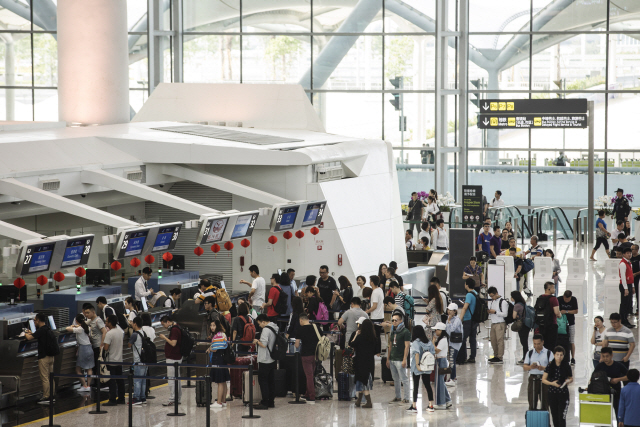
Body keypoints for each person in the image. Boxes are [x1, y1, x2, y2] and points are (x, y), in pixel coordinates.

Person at [25, 313, 59, 404]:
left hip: (44, 357)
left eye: (35, 320)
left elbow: (29, 338)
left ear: (39, 320)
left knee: (44, 377)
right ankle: (52, 395)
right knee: (50, 377)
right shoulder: (47, 329)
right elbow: (37, 335)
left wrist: (25, 333)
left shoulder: (40, 330)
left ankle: (46, 397)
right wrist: (33, 333)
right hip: (51, 357)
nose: (35, 322)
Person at [542, 346, 573, 427]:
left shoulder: (566, 366)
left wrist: (567, 381)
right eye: (557, 355)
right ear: (554, 355)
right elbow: (544, 379)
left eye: (561, 355)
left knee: (562, 417)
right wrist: (552, 383)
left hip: (563, 394)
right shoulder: (550, 366)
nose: (559, 357)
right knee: (555, 416)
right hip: (552, 394)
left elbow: (571, 378)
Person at [407, 325, 435, 414]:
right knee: (427, 385)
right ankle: (431, 405)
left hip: (417, 367)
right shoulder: (429, 343)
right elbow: (433, 354)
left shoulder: (416, 343)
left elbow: (416, 354)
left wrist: (417, 365)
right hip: (427, 367)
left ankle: (414, 406)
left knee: (415, 386)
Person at [252, 314, 278, 410]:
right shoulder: (275, 327)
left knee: (263, 381)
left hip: (265, 359)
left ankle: (265, 402)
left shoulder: (266, 329)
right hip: (272, 358)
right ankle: (271, 401)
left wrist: (256, 341)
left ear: (263, 321)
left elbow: (263, 344)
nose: (259, 326)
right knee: (271, 381)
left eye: (259, 324)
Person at [594, 347, 628, 418]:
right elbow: (593, 378)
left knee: (619, 414)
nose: (605, 358)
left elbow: (628, 376)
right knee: (605, 417)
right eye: (603, 356)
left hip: (616, 393)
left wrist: (618, 379)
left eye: (607, 356)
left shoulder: (618, 365)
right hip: (604, 394)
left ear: (611, 355)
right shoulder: (599, 366)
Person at [350, 318, 376, 408]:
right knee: (364, 382)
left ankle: (369, 402)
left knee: (362, 382)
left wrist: (356, 335)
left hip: (360, 362)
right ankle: (359, 401)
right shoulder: (373, 338)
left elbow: (351, 344)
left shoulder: (360, 337)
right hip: (369, 363)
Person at [523, 334, 554, 411]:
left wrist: (543, 368)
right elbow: (525, 367)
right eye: (534, 344)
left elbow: (552, 368)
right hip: (532, 378)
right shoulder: (529, 353)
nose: (536, 346)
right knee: (532, 401)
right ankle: (533, 421)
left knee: (545, 402)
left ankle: (545, 421)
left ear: (543, 342)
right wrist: (531, 367)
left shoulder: (549, 353)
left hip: (544, 378)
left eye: (538, 343)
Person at [294, 314, 320, 404]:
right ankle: (307, 394)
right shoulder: (316, 327)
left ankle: (312, 397)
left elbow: (297, 344)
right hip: (316, 354)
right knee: (311, 374)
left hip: (306, 354)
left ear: (301, 320)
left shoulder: (300, 329)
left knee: (309, 375)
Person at [386, 312, 411, 404]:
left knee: (404, 378)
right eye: (392, 320)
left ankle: (407, 398)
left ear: (401, 321)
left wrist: (404, 359)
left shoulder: (405, 332)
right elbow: (390, 345)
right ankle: (398, 396)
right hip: (393, 358)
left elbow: (407, 346)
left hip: (400, 359)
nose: (394, 322)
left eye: (396, 320)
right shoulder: (393, 331)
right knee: (395, 379)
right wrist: (388, 358)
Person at [159, 316, 183, 407]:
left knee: (172, 379)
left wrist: (164, 337)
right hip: (177, 356)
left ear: (168, 322)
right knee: (177, 378)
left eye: (163, 324)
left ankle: (173, 399)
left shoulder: (174, 330)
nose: (164, 326)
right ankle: (178, 398)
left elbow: (173, 343)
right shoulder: (177, 327)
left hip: (173, 358)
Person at [66, 314, 94, 392]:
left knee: (78, 369)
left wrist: (73, 326)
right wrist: (76, 326)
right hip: (90, 348)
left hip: (83, 349)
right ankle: (88, 385)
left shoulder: (79, 329)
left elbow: (67, 329)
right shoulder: (87, 327)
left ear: (77, 321)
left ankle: (84, 386)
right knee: (89, 368)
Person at [206, 319, 230, 408]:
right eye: (211, 325)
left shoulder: (218, 335)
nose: (212, 327)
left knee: (220, 381)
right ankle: (223, 400)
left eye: (214, 325)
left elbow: (215, 349)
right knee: (223, 381)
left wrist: (209, 349)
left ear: (218, 326)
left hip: (218, 359)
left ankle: (219, 402)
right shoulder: (223, 334)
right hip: (222, 359)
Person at [82, 304, 107, 388]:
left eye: (88, 313)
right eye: (85, 313)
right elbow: (83, 324)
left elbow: (104, 331)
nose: (86, 315)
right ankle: (97, 383)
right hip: (94, 346)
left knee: (98, 365)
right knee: (95, 365)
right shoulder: (91, 320)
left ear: (93, 312)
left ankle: (100, 383)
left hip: (98, 346)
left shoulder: (98, 320)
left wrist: (101, 344)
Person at [103, 315, 125, 406]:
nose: (106, 322)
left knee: (112, 381)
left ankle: (112, 399)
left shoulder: (109, 334)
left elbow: (106, 348)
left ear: (110, 323)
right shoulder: (120, 332)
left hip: (111, 360)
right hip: (119, 359)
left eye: (107, 321)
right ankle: (121, 398)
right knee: (120, 380)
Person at [457, 278, 479, 364]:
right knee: (473, 339)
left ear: (467, 285)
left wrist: (459, 319)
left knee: (463, 339)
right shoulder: (476, 293)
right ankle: (472, 357)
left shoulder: (469, 294)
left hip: (468, 319)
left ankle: (463, 358)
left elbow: (465, 308)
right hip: (474, 320)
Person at [128, 316, 147, 405]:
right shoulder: (144, 333)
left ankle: (136, 398)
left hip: (138, 360)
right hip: (145, 360)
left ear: (135, 324)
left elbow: (129, 345)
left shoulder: (135, 334)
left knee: (137, 380)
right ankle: (143, 397)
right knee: (143, 380)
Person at [537, 281, 561, 350]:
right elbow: (556, 312)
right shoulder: (553, 299)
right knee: (551, 345)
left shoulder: (540, 298)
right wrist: (560, 315)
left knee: (543, 345)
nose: (555, 289)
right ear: (549, 289)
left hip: (541, 325)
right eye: (553, 288)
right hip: (551, 325)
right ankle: (550, 360)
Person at [433, 322, 452, 409]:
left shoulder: (443, 340)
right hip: (441, 360)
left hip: (441, 360)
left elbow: (436, 350)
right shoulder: (443, 339)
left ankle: (441, 403)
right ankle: (447, 400)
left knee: (439, 383)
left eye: (436, 330)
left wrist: (433, 342)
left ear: (441, 330)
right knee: (440, 382)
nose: (435, 331)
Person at [487, 286, 508, 364]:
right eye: (490, 296)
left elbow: (505, 314)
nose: (492, 297)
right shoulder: (492, 302)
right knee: (493, 341)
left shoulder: (503, 302)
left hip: (500, 323)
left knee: (500, 341)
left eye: (492, 295)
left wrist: (495, 312)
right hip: (493, 323)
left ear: (496, 293)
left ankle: (500, 357)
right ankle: (495, 356)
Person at [558, 290, 578, 365]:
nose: (567, 301)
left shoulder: (573, 299)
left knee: (571, 341)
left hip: (571, 323)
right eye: (565, 299)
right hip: (560, 323)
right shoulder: (559, 299)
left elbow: (576, 311)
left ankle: (573, 358)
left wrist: (566, 311)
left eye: (568, 299)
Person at [366, 276, 385, 355]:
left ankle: (377, 352)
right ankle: (377, 352)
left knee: (375, 335)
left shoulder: (375, 292)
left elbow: (374, 306)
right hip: (380, 315)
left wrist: (366, 311)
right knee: (377, 335)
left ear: (372, 282)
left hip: (376, 316)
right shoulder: (380, 290)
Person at [512, 291, 532, 364]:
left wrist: (517, 315)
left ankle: (525, 358)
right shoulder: (523, 303)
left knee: (524, 342)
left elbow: (514, 316)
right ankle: (526, 357)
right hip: (527, 324)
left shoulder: (516, 305)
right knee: (525, 342)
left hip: (522, 325)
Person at [445, 303, 463, 385]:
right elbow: (447, 331)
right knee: (451, 360)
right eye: (448, 310)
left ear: (455, 311)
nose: (449, 311)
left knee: (452, 360)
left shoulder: (457, 320)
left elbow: (452, 329)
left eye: (451, 310)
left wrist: (449, 321)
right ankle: (453, 376)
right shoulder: (449, 319)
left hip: (455, 343)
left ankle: (452, 379)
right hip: (450, 341)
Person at [619, 247, 636, 328]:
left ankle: (625, 320)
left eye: (630, 253)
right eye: (628, 253)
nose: (629, 254)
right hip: (624, 286)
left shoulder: (629, 263)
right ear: (624, 254)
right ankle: (623, 320)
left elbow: (631, 275)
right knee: (624, 304)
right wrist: (625, 288)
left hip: (629, 285)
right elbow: (623, 277)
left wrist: (632, 286)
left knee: (628, 304)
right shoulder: (622, 264)